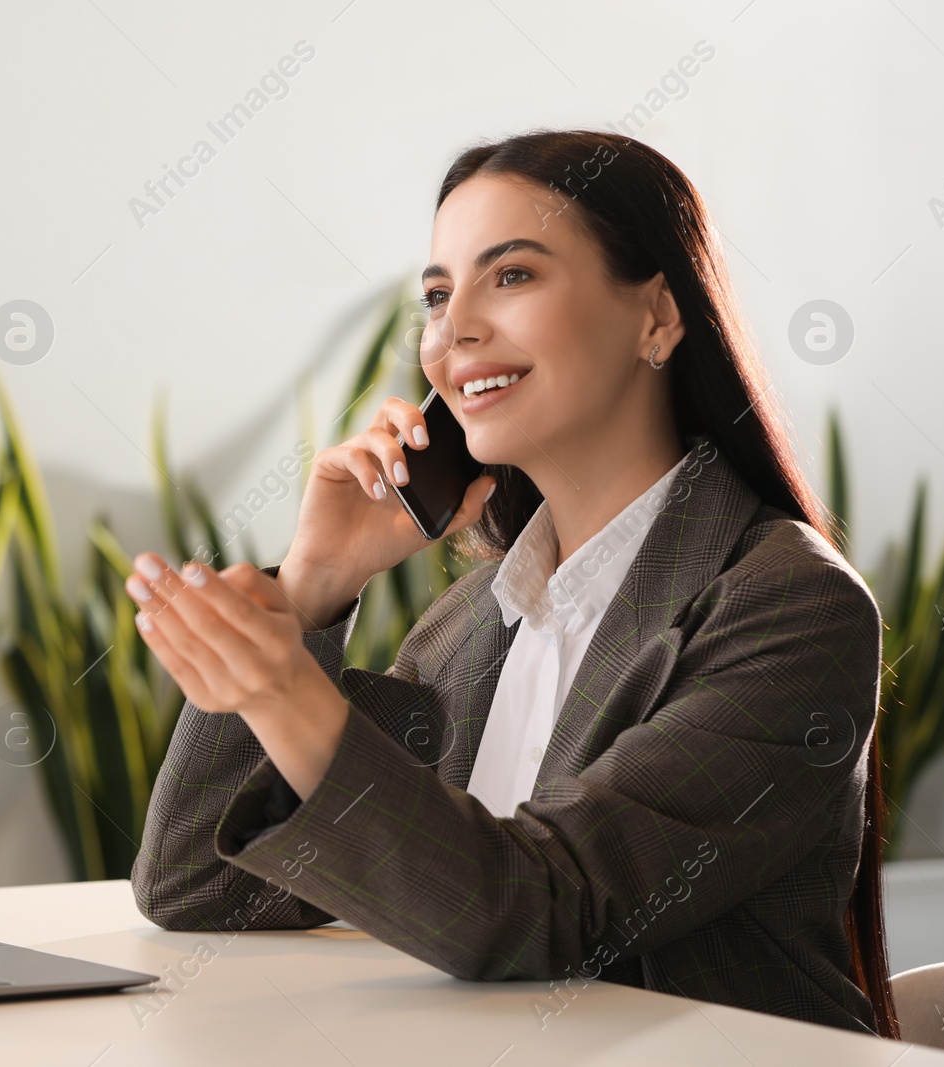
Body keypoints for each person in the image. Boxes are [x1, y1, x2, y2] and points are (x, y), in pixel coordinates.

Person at [123, 129, 897, 1038]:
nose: (455, 333)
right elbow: (196, 883)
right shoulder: (469, 626)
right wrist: (313, 587)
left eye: (514, 275)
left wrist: (286, 691)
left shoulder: (790, 607)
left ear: (657, 315)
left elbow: (543, 913)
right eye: (440, 296)